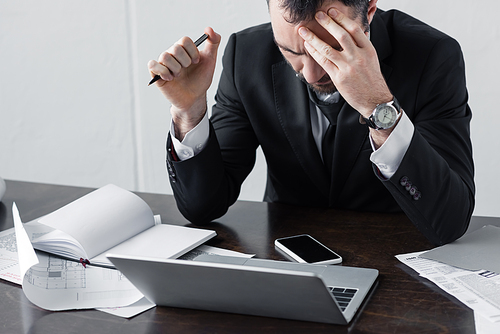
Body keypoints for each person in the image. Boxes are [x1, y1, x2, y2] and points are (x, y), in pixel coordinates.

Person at [148, 0, 475, 246]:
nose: (312, 73)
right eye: (290, 50)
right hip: (285, 262)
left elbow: (449, 221)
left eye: (329, 48)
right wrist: (189, 110)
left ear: (370, 10)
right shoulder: (245, 55)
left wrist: (380, 108)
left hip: (398, 267)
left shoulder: (432, 55)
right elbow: (203, 207)